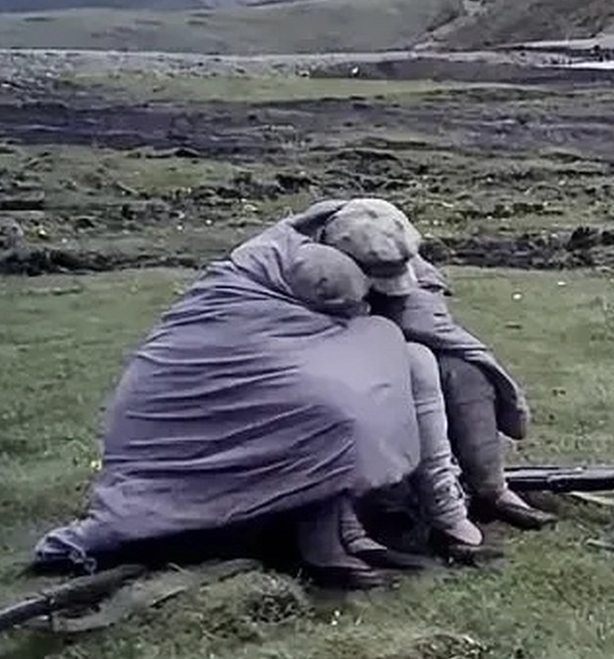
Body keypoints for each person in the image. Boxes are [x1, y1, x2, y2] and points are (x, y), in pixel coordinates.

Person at [29, 198, 514, 590]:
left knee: (399, 370)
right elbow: (264, 360)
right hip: (198, 411)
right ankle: (335, 540)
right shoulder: (284, 274)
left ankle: (364, 523)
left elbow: (425, 316)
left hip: (264, 383)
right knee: (335, 408)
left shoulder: (353, 243)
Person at [316, 198, 555, 534]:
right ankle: (436, 506)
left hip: (388, 341)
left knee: (465, 371)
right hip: (335, 361)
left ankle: (491, 489)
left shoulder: (388, 237)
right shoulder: (301, 261)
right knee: (416, 366)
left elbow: (428, 307)